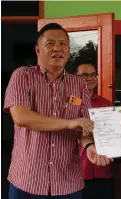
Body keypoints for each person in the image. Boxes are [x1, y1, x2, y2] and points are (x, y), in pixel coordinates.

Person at [4, 23, 111, 199]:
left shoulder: (78, 84)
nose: (57, 48)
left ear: (68, 51)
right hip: (27, 179)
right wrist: (69, 123)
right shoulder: (22, 75)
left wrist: (89, 146)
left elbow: (82, 127)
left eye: (63, 44)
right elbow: (21, 117)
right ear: (38, 50)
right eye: (50, 44)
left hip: (67, 181)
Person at [74, 61, 115, 199]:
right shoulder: (68, 103)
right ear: (75, 77)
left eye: (93, 75)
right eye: (84, 75)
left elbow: (113, 133)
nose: (90, 78)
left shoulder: (106, 104)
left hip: (103, 169)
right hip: (76, 172)